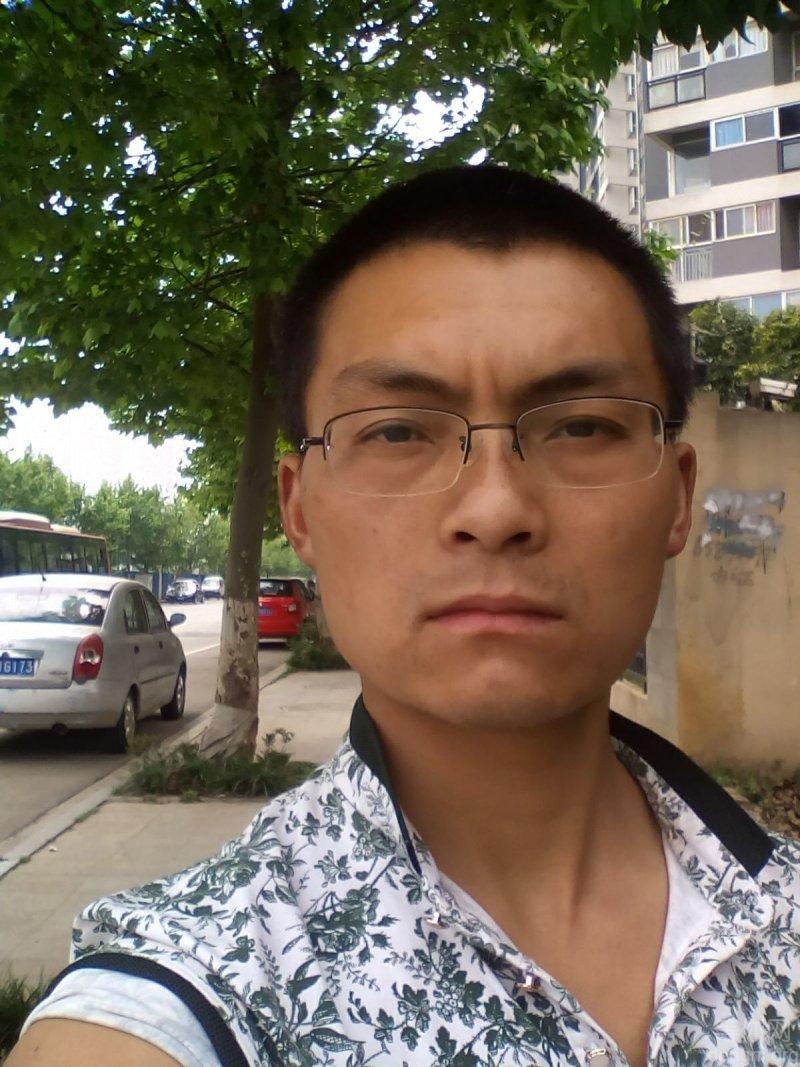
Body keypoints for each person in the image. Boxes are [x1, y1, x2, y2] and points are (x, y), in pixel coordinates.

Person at [10, 166, 799, 1067]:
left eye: (581, 426)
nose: (496, 508)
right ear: (300, 509)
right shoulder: (192, 988)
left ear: (678, 497)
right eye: (396, 431)